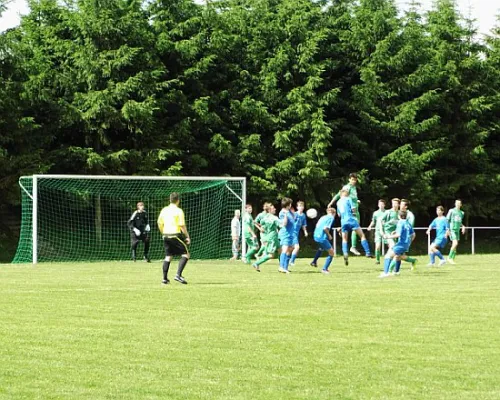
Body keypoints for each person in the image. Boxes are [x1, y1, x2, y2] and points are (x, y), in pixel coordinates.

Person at [157, 192, 191, 285]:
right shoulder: (179, 211)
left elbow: (159, 223)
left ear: (170, 200)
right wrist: (187, 236)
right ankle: (178, 275)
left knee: (168, 256)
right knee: (186, 254)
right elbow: (182, 225)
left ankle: (164, 279)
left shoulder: (164, 210)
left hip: (165, 235)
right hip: (175, 235)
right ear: (178, 201)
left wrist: (163, 232)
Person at [336, 189, 373, 266]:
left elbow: (339, 214)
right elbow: (353, 209)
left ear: (341, 194)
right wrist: (355, 210)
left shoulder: (338, 202)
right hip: (351, 219)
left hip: (343, 221)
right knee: (362, 235)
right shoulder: (348, 198)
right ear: (346, 194)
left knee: (344, 239)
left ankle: (345, 253)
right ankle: (368, 252)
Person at [329, 173, 361, 255]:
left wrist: (356, 201)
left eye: (355, 179)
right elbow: (339, 195)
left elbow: (351, 198)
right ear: (349, 179)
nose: (354, 181)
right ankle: (352, 246)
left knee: (356, 227)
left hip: (356, 209)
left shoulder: (354, 188)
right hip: (350, 211)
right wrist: (331, 202)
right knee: (355, 227)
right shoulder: (347, 187)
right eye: (352, 179)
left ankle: (342, 230)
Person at [379, 210, 417, 278]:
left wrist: (388, 237)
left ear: (399, 216)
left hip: (401, 244)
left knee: (388, 256)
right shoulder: (408, 223)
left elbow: (398, 235)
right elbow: (413, 234)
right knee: (398, 257)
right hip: (406, 244)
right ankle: (413, 261)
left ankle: (386, 273)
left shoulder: (400, 222)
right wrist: (409, 242)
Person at [252, 205, 280, 271]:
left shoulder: (265, 217)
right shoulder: (274, 218)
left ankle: (282, 266)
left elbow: (261, 224)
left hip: (271, 236)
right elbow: (281, 225)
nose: (275, 209)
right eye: (273, 208)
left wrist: (261, 228)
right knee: (271, 255)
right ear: (269, 210)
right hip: (272, 238)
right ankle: (256, 263)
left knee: (280, 250)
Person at [310, 207, 336, 274]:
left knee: (321, 248)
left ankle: (314, 262)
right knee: (332, 252)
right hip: (322, 237)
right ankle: (324, 269)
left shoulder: (323, 217)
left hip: (316, 235)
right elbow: (325, 228)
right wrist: (329, 235)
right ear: (334, 213)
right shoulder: (331, 218)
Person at [278, 198, 295, 273]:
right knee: (284, 249)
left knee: (291, 249)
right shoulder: (282, 213)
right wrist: (285, 216)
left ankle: (285, 267)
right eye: (290, 204)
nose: (291, 205)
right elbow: (284, 224)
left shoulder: (289, 212)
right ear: (288, 205)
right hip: (285, 233)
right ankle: (281, 267)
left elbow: (294, 218)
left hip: (291, 233)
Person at [446, 199, 466, 264]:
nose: (457, 204)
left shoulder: (462, 213)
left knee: (455, 245)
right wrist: (447, 229)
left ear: (461, 205)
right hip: (452, 229)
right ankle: (449, 257)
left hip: (457, 230)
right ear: (455, 204)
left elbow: (459, 222)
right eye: (456, 203)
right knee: (455, 244)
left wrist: (463, 226)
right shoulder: (451, 211)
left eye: (459, 203)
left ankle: (452, 259)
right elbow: (447, 220)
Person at [367, 199, 386, 265]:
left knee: (391, 246)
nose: (381, 205)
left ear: (384, 205)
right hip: (378, 231)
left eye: (382, 204)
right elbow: (373, 221)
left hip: (386, 231)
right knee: (377, 246)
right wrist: (370, 226)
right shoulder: (376, 213)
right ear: (378, 205)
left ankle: (395, 258)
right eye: (379, 204)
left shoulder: (387, 212)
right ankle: (377, 260)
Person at [290, 201, 308, 266]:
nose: (301, 207)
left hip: (296, 233)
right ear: (297, 207)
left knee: (292, 248)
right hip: (292, 232)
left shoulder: (303, 215)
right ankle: (291, 261)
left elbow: (303, 225)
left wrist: (305, 231)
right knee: (297, 247)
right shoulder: (295, 214)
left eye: (302, 206)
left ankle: (287, 259)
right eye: (300, 206)